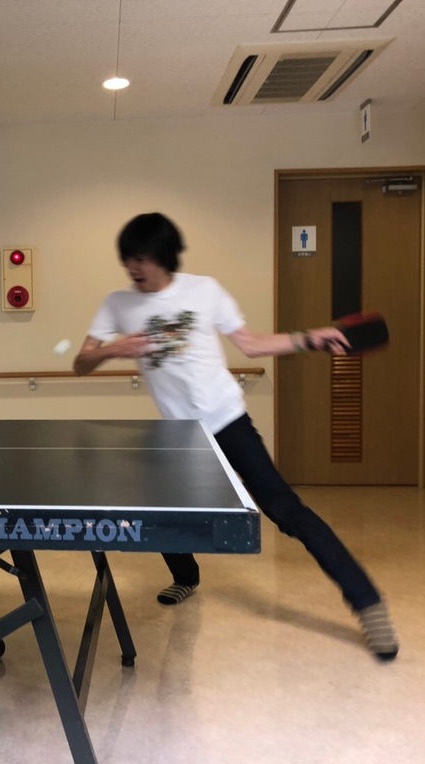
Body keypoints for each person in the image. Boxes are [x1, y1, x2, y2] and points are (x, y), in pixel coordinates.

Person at [72, 212, 398, 661]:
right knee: (161, 512)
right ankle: (186, 577)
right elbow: (81, 363)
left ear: (163, 256)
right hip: (182, 434)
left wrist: (311, 338)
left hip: (228, 422)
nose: (132, 268)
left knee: (287, 512)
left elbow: (253, 344)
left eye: (140, 259)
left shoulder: (204, 291)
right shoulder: (118, 304)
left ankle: (368, 604)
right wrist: (113, 349)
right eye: (127, 259)